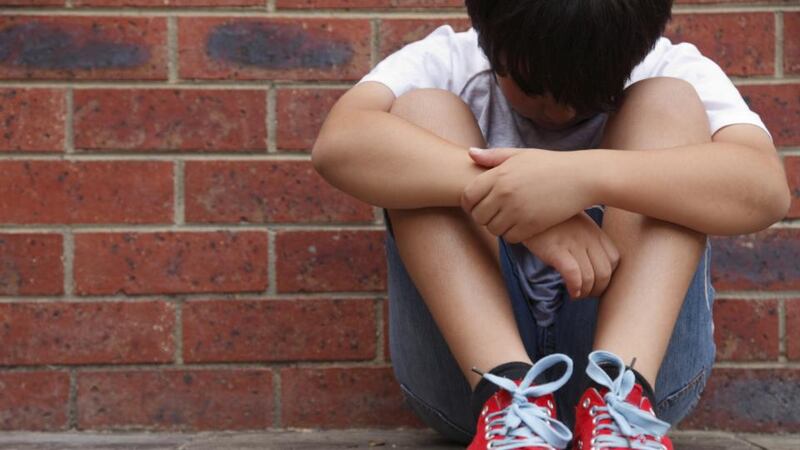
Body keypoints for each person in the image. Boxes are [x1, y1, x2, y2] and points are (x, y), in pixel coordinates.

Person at [311, 1, 791, 449]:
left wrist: (581, 178)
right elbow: (339, 145)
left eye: (589, 95)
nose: (560, 111)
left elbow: (765, 189)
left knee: (669, 104)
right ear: (489, 41)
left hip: (643, 371)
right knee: (420, 113)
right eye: (535, 87)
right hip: (468, 384)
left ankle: (619, 403)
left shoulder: (668, 66)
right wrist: (513, 200)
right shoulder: (447, 60)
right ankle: (509, 401)